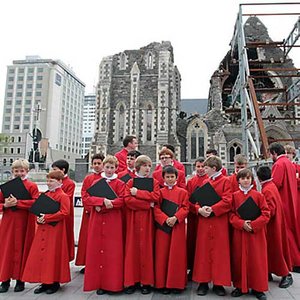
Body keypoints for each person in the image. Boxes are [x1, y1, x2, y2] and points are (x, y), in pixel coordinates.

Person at [22, 170, 71, 294]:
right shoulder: (46, 194)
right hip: (43, 228)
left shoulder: (63, 196)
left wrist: (47, 218)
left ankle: (54, 282)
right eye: (48, 180)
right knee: (42, 255)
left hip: (56, 230)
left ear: (59, 181)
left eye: (51, 181)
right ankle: (44, 281)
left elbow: (65, 212)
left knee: (53, 254)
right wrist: (39, 219)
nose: (48, 183)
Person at [83, 155, 125, 295]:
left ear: (116, 169)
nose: (109, 170)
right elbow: (88, 198)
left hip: (113, 220)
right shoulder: (96, 182)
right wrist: (102, 201)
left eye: (112, 168)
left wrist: (109, 203)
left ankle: (112, 283)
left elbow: (122, 200)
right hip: (98, 219)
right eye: (107, 167)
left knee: (112, 252)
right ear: (103, 167)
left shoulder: (119, 183)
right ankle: (100, 283)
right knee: (98, 251)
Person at [192, 156, 231, 296]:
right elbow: (197, 201)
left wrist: (213, 209)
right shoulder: (205, 182)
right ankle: (202, 282)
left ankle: (218, 283)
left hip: (218, 221)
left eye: (206, 168)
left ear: (214, 168)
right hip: (205, 221)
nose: (204, 170)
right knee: (203, 252)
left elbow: (228, 201)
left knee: (219, 252)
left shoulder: (226, 181)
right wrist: (199, 210)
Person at [0, 159, 39, 293]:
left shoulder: (32, 186)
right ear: (12, 172)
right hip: (8, 224)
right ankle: (4, 280)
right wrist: (5, 205)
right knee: (6, 250)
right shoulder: (5, 186)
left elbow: (35, 203)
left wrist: (19, 203)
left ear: (27, 171)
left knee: (23, 249)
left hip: (25, 223)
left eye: (22, 171)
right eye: (16, 171)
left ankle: (20, 280)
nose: (19, 173)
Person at [230, 169, 270, 300]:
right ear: (238, 180)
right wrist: (241, 223)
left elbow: (266, 214)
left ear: (252, 180)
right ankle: (240, 286)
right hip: (240, 233)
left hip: (255, 234)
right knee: (239, 259)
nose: (246, 180)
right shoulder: (234, 196)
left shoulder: (259, 195)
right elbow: (231, 215)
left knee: (257, 260)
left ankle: (258, 287)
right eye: (243, 178)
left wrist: (253, 225)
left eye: (248, 178)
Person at [124, 155, 160, 295]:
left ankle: (146, 281)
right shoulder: (131, 182)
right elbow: (128, 200)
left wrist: (138, 193)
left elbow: (156, 197)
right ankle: (132, 281)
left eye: (149, 166)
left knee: (146, 249)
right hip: (134, 219)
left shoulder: (154, 182)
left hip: (148, 220)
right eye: (145, 165)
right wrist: (147, 204)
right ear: (138, 166)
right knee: (132, 249)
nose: (147, 168)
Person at [154, 165, 189, 294]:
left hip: (177, 227)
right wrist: (164, 219)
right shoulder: (160, 192)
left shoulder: (183, 192)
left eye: (172, 177)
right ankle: (162, 284)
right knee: (162, 255)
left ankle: (176, 284)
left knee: (177, 255)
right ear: (163, 178)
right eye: (167, 177)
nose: (170, 179)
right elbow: (156, 208)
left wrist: (175, 217)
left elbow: (185, 208)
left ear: (176, 178)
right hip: (162, 227)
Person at [257, 166, 293, 289]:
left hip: (272, 226)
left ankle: (286, 274)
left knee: (276, 249)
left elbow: (269, 210)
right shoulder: (271, 186)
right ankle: (269, 271)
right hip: (275, 223)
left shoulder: (267, 189)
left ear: (259, 178)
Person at [269, 142, 300, 272]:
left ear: (275, 153)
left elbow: (274, 184)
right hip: (291, 200)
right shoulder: (288, 163)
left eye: (271, 154)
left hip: (282, 202)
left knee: (286, 233)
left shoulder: (279, 164)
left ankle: (294, 261)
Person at [75, 153, 105, 273]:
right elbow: (84, 194)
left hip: (103, 213)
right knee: (88, 239)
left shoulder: (106, 178)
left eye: (99, 163)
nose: (97, 166)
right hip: (90, 213)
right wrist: (91, 208)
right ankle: (88, 263)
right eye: (95, 163)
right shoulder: (88, 178)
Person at [186, 157, 208, 276]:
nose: (200, 169)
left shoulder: (209, 180)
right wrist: (196, 209)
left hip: (207, 216)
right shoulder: (190, 182)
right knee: (193, 242)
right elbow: (187, 200)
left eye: (203, 166)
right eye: (198, 166)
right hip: (194, 216)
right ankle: (193, 268)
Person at [52, 159, 76, 262]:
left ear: (63, 170)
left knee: (66, 234)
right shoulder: (54, 180)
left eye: (55, 169)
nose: (53, 171)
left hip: (65, 212)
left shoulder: (70, 183)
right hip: (55, 211)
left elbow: (68, 197)